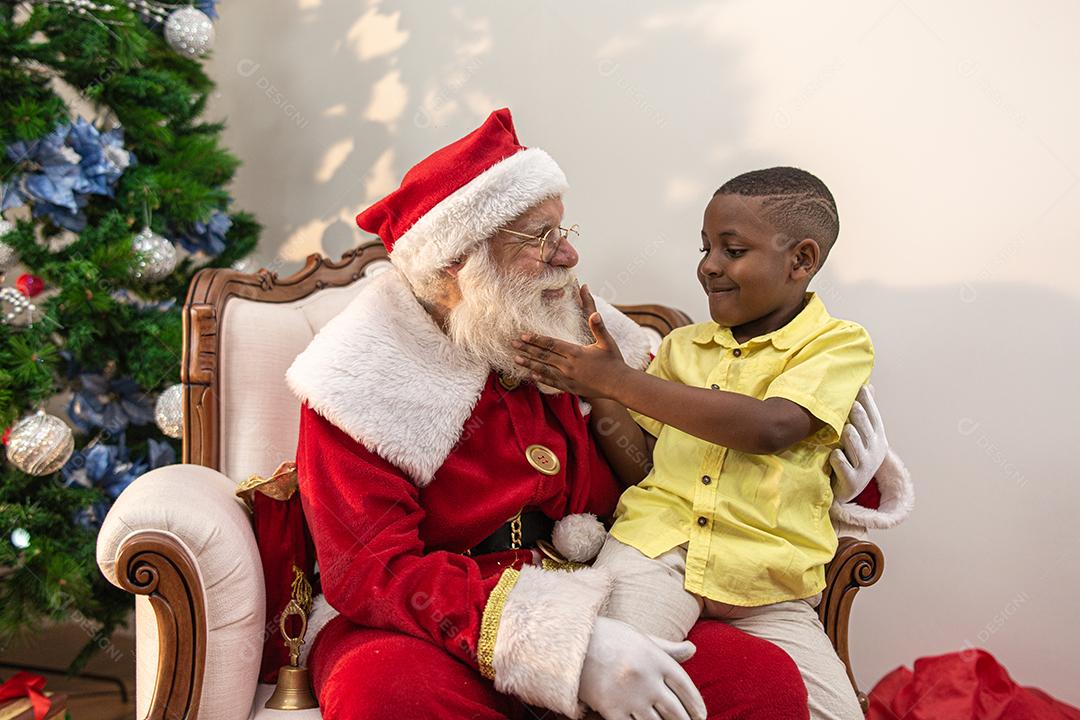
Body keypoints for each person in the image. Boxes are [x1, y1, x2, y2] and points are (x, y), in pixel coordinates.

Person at [285, 110, 909, 720]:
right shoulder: (358, 379)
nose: (568, 258)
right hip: (436, 625)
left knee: (758, 680)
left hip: (610, 586)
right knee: (386, 693)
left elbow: (692, 457)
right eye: (540, 238)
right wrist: (562, 643)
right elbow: (370, 569)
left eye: (564, 232)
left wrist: (833, 479)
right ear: (458, 263)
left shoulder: (591, 338)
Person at [512, 167, 890, 719]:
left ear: (802, 260)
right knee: (614, 683)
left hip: (768, 579)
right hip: (654, 552)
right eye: (705, 247)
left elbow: (770, 427)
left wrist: (620, 381)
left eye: (732, 250)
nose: (709, 265)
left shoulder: (837, 345)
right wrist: (600, 391)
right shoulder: (681, 348)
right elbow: (643, 466)